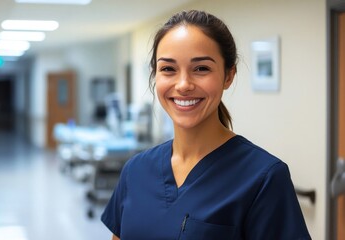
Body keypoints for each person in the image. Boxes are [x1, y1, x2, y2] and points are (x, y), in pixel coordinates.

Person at [101, 10, 311, 240]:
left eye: (201, 68)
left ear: (228, 76)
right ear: (155, 75)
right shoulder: (136, 172)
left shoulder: (263, 178)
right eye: (168, 69)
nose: (183, 85)